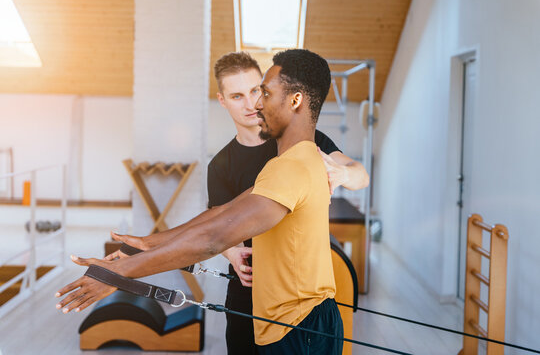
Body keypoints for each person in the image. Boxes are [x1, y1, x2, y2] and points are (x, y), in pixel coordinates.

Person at [56, 49, 345, 354]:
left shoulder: (292, 167)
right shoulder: (296, 159)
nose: (257, 104)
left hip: (301, 328)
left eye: (266, 93)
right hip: (298, 323)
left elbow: (213, 238)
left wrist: (120, 274)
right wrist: (149, 243)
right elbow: (223, 213)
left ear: (296, 100)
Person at [208, 51, 369, 354]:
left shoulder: (305, 140)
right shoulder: (219, 165)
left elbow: (362, 176)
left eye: (257, 91)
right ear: (223, 100)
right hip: (248, 291)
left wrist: (342, 172)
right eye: (237, 96)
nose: (250, 104)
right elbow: (214, 224)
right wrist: (230, 252)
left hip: (297, 307)